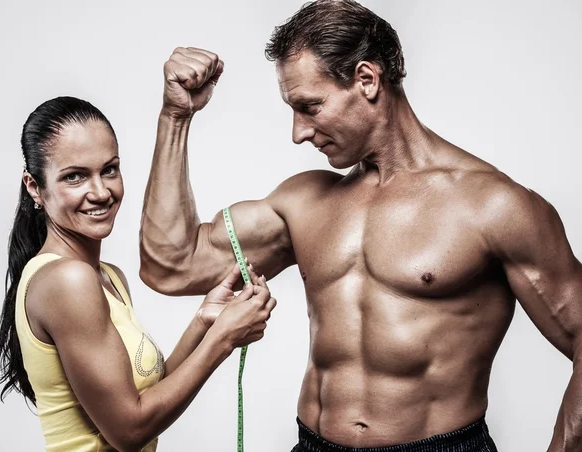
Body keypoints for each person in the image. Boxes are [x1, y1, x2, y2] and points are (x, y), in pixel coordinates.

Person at [139, 1, 582, 451]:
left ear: (367, 80)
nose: (298, 133)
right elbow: (171, 266)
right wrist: (175, 118)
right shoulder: (305, 202)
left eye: (310, 106)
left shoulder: (494, 206)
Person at [0, 96, 276, 451]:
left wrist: (205, 323)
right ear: (35, 187)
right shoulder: (67, 281)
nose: (100, 192)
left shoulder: (107, 277)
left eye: (109, 169)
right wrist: (224, 339)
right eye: (75, 177)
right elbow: (130, 430)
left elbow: (148, 396)